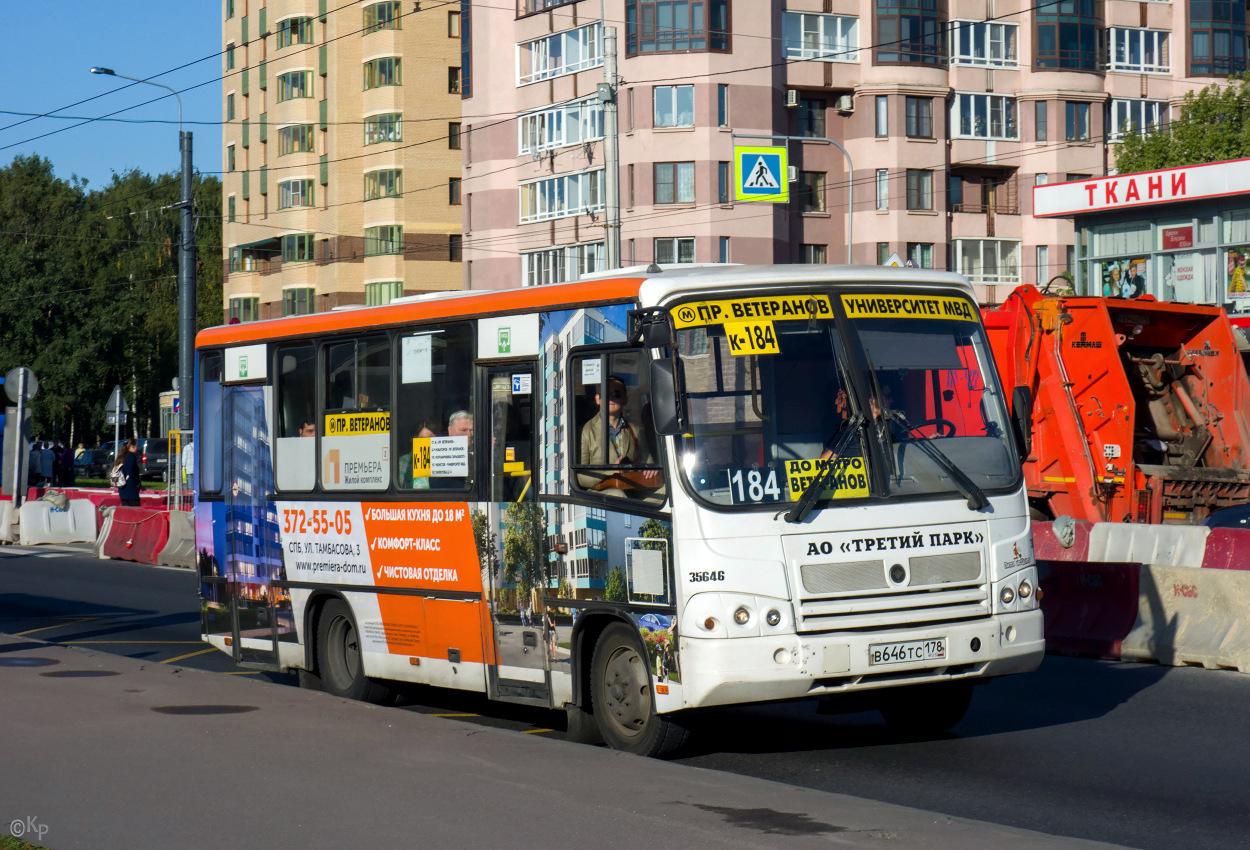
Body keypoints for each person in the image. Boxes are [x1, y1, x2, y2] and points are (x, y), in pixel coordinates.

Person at [577, 376, 659, 495]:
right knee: (618, 495)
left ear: (625, 399)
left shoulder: (636, 431)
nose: (610, 397)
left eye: (616, 393)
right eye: (605, 393)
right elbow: (579, 477)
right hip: (601, 495)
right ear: (598, 399)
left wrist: (651, 469)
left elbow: (649, 462)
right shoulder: (585, 431)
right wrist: (609, 472)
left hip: (633, 491)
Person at [397, 420, 438, 489]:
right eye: (423, 439)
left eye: (431, 439)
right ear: (413, 440)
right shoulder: (402, 462)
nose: (427, 443)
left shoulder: (441, 461)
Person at [112, 439, 141, 507]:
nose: (137, 448)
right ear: (131, 446)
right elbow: (129, 472)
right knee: (134, 513)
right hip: (131, 491)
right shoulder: (131, 457)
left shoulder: (122, 457)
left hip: (122, 490)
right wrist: (137, 484)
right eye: (136, 446)